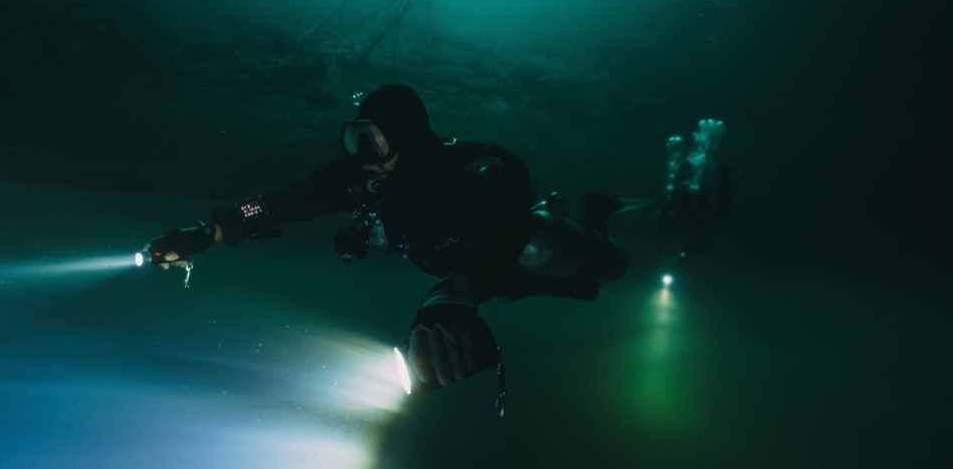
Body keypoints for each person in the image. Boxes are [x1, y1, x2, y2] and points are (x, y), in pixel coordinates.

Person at [142, 84, 631, 388]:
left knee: (549, 254)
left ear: (410, 138)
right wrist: (212, 229)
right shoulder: (362, 177)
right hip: (450, 274)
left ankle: (596, 221)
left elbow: (496, 230)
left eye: (374, 141)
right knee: (533, 275)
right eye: (356, 140)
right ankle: (590, 223)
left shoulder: (472, 172)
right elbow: (280, 204)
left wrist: (453, 293)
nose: (363, 157)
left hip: (493, 263)